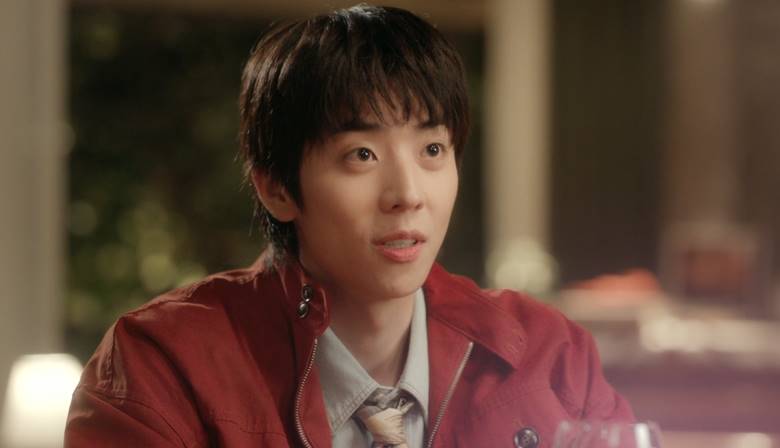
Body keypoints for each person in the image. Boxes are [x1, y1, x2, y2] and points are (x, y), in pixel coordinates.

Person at [65, 5, 633, 448]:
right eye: (362, 155)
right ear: (276, 187)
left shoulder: (549, 355)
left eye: (432, 150)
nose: (408, 194)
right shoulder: (162, 367)